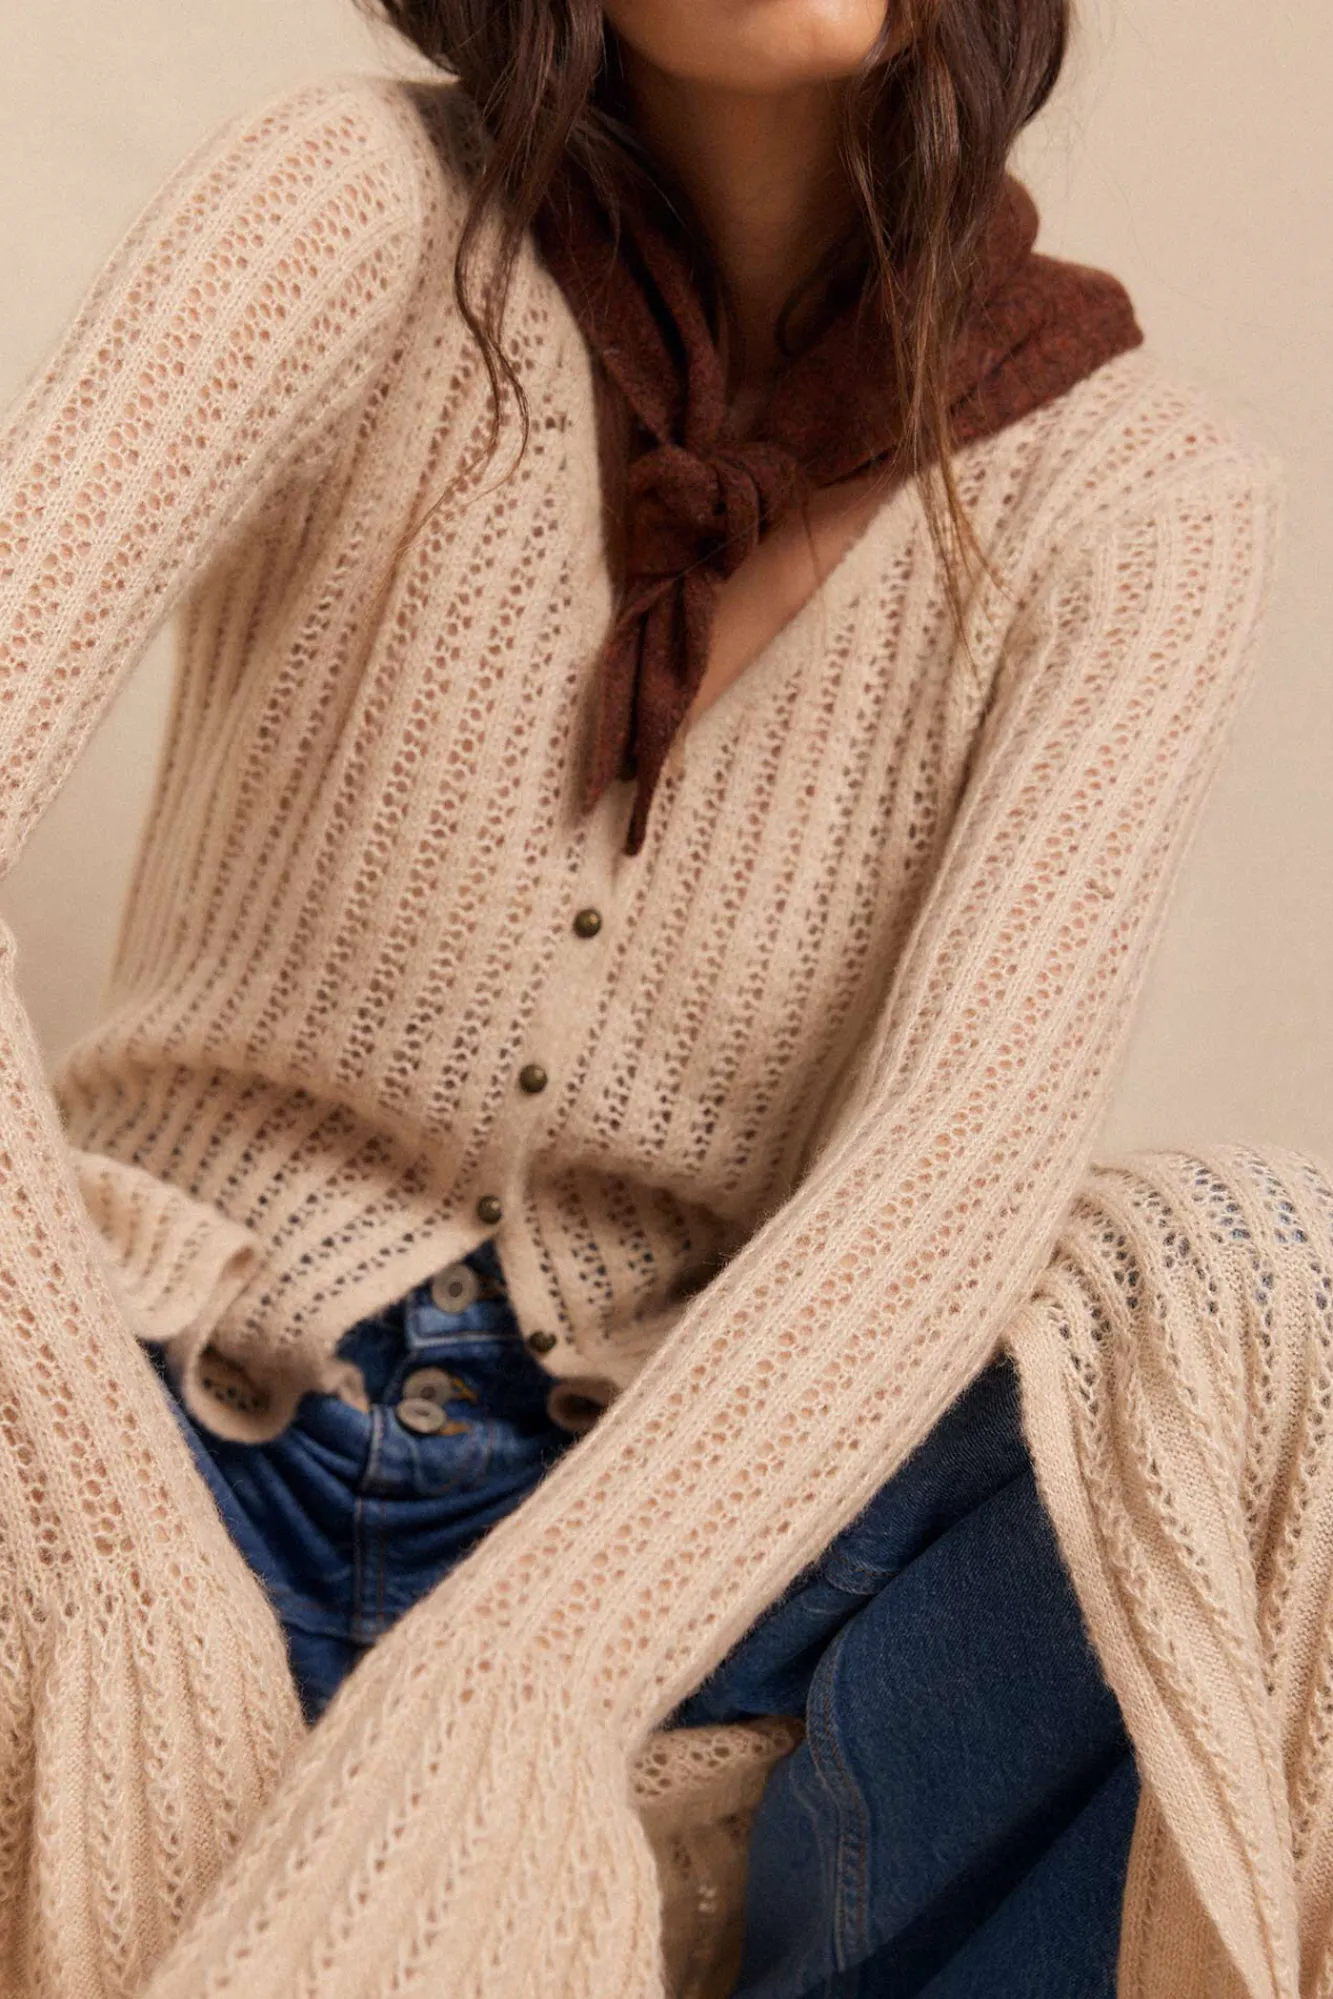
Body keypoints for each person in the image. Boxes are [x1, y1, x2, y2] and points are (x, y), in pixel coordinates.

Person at [0, 2, 1330, 1996]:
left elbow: (950, 1170)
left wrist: (529, 1680)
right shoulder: (350, 212)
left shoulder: (1139, 496)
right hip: (170, 1389)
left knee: (1259, 1297)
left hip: (693, 1530)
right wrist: (96, 1549)